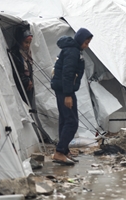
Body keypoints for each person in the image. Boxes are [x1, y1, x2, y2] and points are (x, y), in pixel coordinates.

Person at [51, 28, 93, 165]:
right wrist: (68, 95)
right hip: (65, 90)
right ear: (80, 40)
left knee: (65, 119)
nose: (87, 46)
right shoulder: (72, 52)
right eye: (86, 42)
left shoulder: (72, 50)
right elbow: (67, 74)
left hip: (62, 89)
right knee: (72, 122)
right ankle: (59, 152)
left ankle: (64, 150)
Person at [11, 26, 35, 107]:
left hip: (28, 84)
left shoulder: (27, 53)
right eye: (26, 42)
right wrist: (26, 81)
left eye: (29, 43)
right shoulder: (15, 54)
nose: (28, 45)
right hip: (20, 86)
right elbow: (16, 71)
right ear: (19, 42)